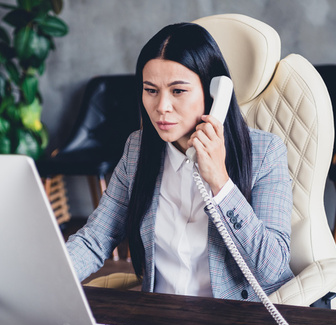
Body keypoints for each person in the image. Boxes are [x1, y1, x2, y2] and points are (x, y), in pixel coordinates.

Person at [66, 22, 294, 301]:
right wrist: (45, 280)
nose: (161, 106)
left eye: (178, 91)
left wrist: (221, 183)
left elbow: (273, 269)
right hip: (160, 323)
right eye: (151, 90)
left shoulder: (265, 152)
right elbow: (94, 240)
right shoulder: (137, 149)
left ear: (213, 94)